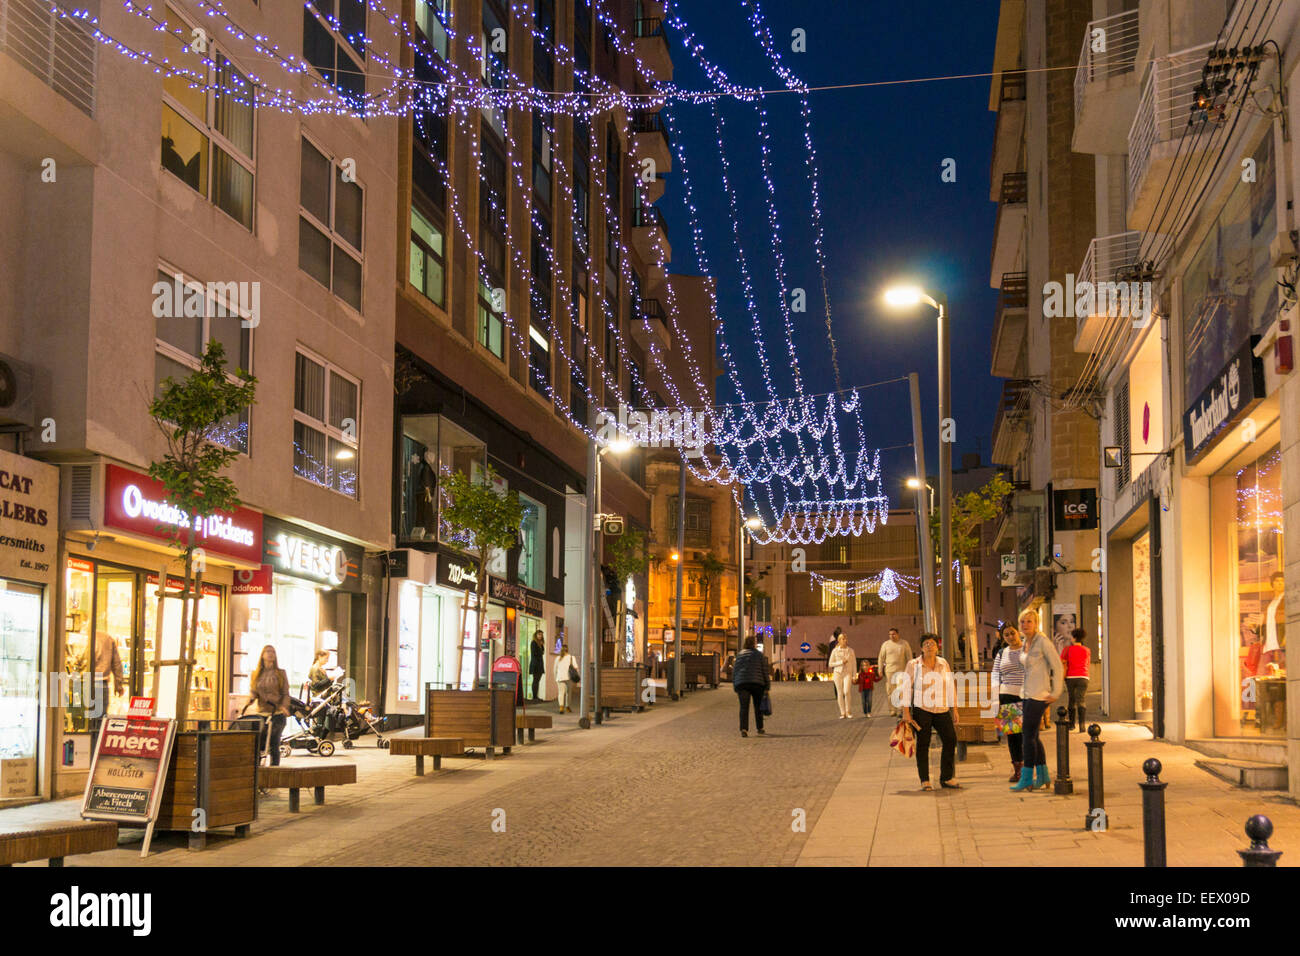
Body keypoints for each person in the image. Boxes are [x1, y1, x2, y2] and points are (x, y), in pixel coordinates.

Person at [899, 634, 960, 791]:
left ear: (937, 646)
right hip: (922, 709)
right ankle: (925, 780)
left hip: (942, 708)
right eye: (926, 644)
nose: (929, 646)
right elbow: (906, 688)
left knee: (950, 739)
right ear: (921, 647)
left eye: (932, 643)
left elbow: (950, 685)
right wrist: (906, 712)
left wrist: (955, 709)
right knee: (923, 744)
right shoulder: (914, 665)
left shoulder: (943, 663)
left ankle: (946, 777)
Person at [1012, 611, 1063, 791]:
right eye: (1023, 621)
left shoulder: (1043, 642)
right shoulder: (1026, 641)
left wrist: (1056, 691)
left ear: (1036, 623)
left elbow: (1057, 666)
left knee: (1027, 735)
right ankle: (1043, 775)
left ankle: (1026, 776)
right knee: (1034, 736)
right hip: (1026, 694)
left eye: (1029, 621)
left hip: (1039, 695)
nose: (1025, 624)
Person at [991, 625, 1026, 782]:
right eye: (1006, 635)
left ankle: (1029, 767)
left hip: (1026, 696)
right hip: (1006, 695)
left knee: (1027, 735)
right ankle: (1018, 769)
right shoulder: (1001, 653)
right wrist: (994, 700)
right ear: (1003, 637)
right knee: (1012, 735)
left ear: (1018, 633)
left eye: (1012, 633)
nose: (1010, 637)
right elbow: (995, 676)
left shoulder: (1028, 649)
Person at [249, 645, 291, 768]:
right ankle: (257, 774)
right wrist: (251, 698)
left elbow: (285, 693)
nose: (270, 654)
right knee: (258, 745)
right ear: (262, 655)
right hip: (261, 713)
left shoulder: (280, 673)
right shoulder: (255, 674)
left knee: (274, 744)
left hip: (277, 714)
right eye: (267, 651)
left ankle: (274, 772)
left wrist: (284, 706)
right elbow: (253, 690)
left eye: (273, 651)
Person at [732, 636, 771, 737]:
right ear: (754, 643)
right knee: (758, 707)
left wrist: (735, 684)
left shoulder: (740, 655)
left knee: (744, 707)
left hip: (742, 684)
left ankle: (744, 729)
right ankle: (760, 728)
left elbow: (735, 671)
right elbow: (764, 671)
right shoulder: (759, 655)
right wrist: (767, 685)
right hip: (757, 684)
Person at [1061, 627, 1090, 733]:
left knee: (1072, 700)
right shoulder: (1087, 650)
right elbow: (1087, 664)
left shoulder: (1067, 649)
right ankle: (1082, 725)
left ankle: (1072, 724)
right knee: (1081, 700)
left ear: (1073, 638)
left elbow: (1062, 661)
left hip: (1071, 677)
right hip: (1084, 677)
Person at [876, 627, 911, 717]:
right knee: (890, 691)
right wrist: (880, 669)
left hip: (901, 670)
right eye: (890, 634)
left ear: (898, 634)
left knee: (900, 690)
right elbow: (881, 657)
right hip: (889, 671)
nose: (892, 636)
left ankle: (900, 709)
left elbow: (909, 657)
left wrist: (910, 670)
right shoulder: (886, 645)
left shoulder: (904, 644)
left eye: (894, 634)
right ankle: (892, 709)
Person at [828, 630, 857, 719]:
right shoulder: (835, 651)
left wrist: (854, 675)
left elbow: (854, 663)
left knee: (847, 692)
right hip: (838, 673)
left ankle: (848, 711)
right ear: (839, 640)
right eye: (843, 639)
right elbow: (830, 664)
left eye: (845, 639)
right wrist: (841, 662)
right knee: (840, 693)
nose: (845, 640)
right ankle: (842, 712)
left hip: (847, 673)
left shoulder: (851, 650)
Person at [554, 643, 577, 713]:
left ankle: (561, 707)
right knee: (568, 693)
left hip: (560, 677)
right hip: (569, 678)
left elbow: (555, 669)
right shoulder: (571, 658)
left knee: (561, 693)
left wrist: (556, 677)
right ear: (568, 650)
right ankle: (567, 707)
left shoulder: (558, 658)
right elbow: (575, 667)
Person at [529, 630, 547, 701]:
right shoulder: (533, 643)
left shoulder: (540, 643)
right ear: (536, 635)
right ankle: (534, 697)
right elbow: (534, 653)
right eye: (539, 634)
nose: (540, 636)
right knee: (535, 680)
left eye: (541, 635)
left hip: (539, 663)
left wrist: (542, 645)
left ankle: (536, 696)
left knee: (537, 680)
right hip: (535, 664)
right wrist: (540, 652)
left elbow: (542, 652)